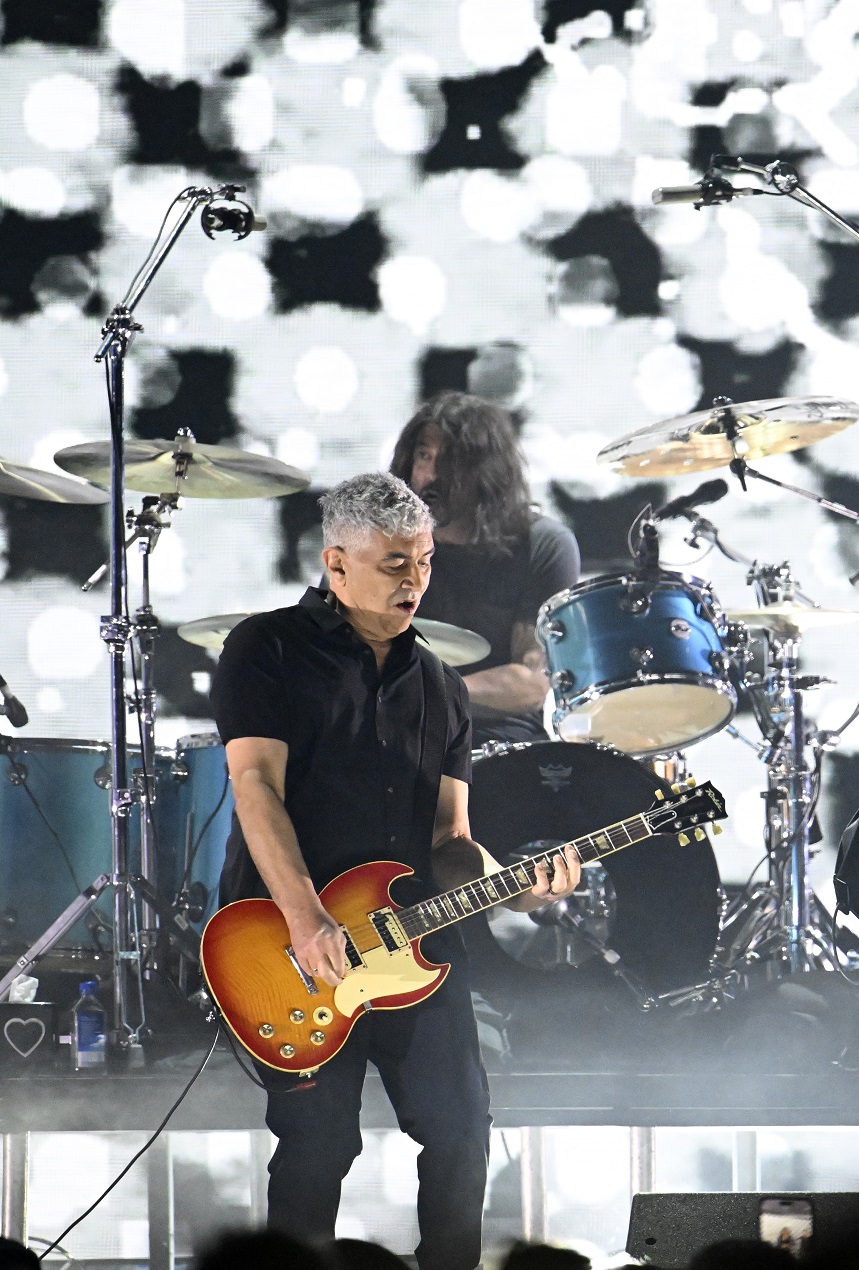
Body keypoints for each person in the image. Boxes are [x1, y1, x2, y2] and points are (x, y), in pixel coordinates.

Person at [214, 473, 582, 1270]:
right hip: (290, 943)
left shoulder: (442, 687)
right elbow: (255, 789)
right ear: (336, 563)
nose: (414, 580)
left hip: (413, 945)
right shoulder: (268, 648)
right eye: (392, 564)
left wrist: (516, 880)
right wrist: (308, 917)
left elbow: (451, 842)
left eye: (421, 562)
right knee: (316, 1150)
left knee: (461, 1133)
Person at [388, 392, 581, 747]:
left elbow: (531, 683)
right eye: (424, 455)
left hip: (496, 744)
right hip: (391, 737)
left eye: (449, 464)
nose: (430, 476)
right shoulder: (379, 540)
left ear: (486, 474)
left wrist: (430, 690)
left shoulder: (543, 545)